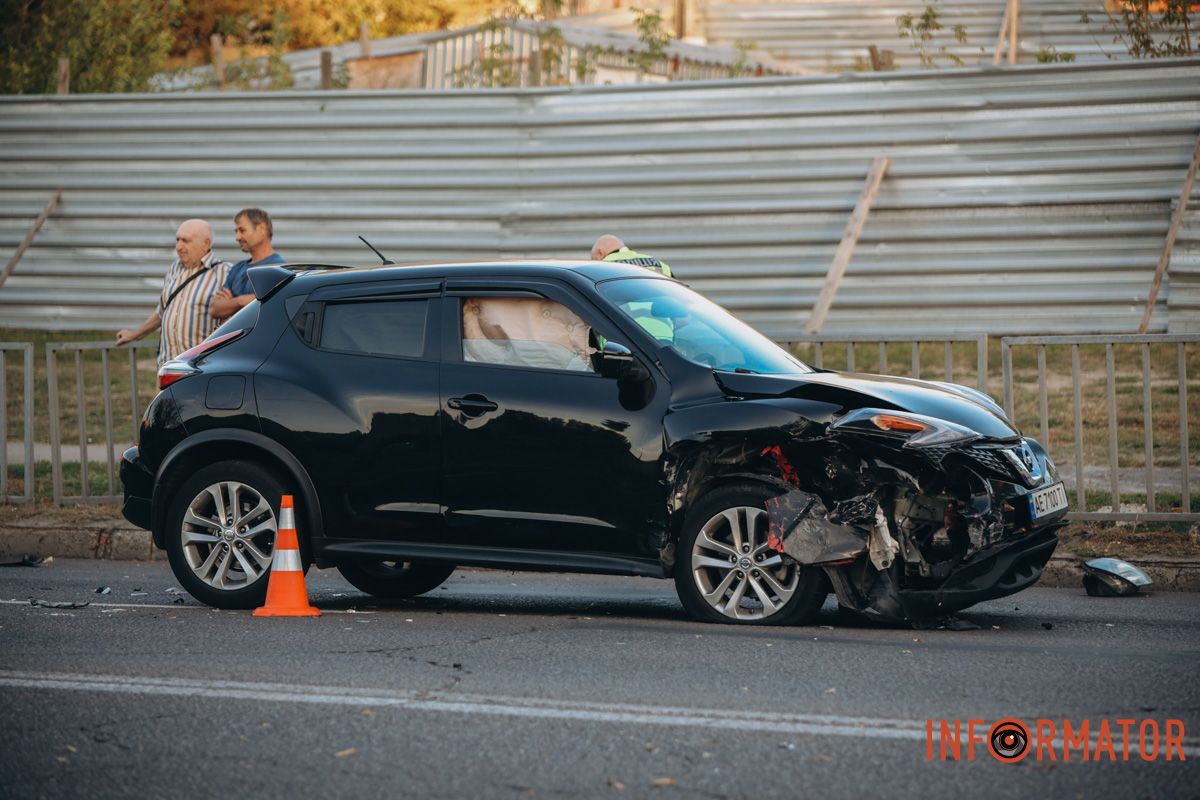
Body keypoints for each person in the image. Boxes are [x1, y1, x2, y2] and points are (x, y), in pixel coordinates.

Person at [116, 219, 230, 365]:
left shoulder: (224, 273)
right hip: (168, 368)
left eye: (186, 241)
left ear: (206, 244)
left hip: (201, 368)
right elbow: (162, 311)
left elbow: (233, 319)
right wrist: (134, 335)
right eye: (177, 240)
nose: (178, 247)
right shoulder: (174, 269)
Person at [210, 207, 286, 320]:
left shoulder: (278, 268)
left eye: (242, 230)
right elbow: (215, 310)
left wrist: (232, 302)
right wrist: (242, 302)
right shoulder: (237, 268)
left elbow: (270, 306)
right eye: (236, 231)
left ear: (261, 229)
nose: (237, 237)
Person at [589, 234, 673, 277]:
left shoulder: (600, 268)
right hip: (656, 310)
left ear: (599, 253)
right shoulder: (659, 264)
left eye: (594, 258)